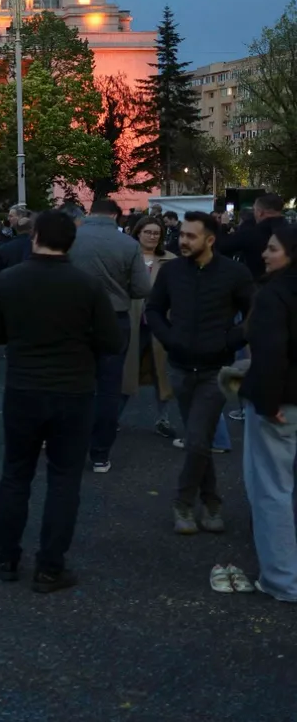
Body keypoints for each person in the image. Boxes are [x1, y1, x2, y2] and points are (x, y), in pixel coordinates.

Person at [0, 211, 121, 593]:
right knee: (63, 479)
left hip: (23, 387)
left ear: (36, 236)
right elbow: (112, 342)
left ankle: (7, 557)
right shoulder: (87, 285)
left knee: (15, 474)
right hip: (73, 390)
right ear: (70, 242)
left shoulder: (9, 280)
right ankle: (50, 566)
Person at [146, 212, 255, 535]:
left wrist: (230, 339)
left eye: (191, 236)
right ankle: (211, 501)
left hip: (216, 371)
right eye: (181, 234)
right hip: (179, 367)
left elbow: (254, 313)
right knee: (200, 439)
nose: (182, 240)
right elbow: (153, 309)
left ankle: (182, 503)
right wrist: (169, 338)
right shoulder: (172, 271)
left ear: (210, 240)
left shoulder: (234, 273)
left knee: (196, 439)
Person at [68, 198, 152, 473]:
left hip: (75, 318)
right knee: (108, 387)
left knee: (75, 383)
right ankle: (100, 453)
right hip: (115, 319)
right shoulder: (128, 245)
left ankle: (70, 445)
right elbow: (141, 288)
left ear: (91, 213)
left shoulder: (72, 238)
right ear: (116, 216)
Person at [240, 224, 297, 601]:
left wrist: (267, 401)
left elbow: (269, 352)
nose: (265, 253)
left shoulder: (274, 294)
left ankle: (281, 579)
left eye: (273, 249)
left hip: (282, 405)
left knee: (272, 491)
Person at [123, 216, 179, 439]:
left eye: (157, 233)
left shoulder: (170, 259)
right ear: (138, 233)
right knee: (125, 371)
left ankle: (163, 419)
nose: (153, 236)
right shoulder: (127, 256)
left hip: (160, 324)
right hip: (132, 321)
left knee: (161, 373)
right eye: (148, 232)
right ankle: (111, 418)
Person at [220, 193, 287, 281]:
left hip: (258, 284)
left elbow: (222, 246)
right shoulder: (290, 230)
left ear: (260, 212)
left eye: (254, 210)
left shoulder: (250, 233)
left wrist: (224, 226)